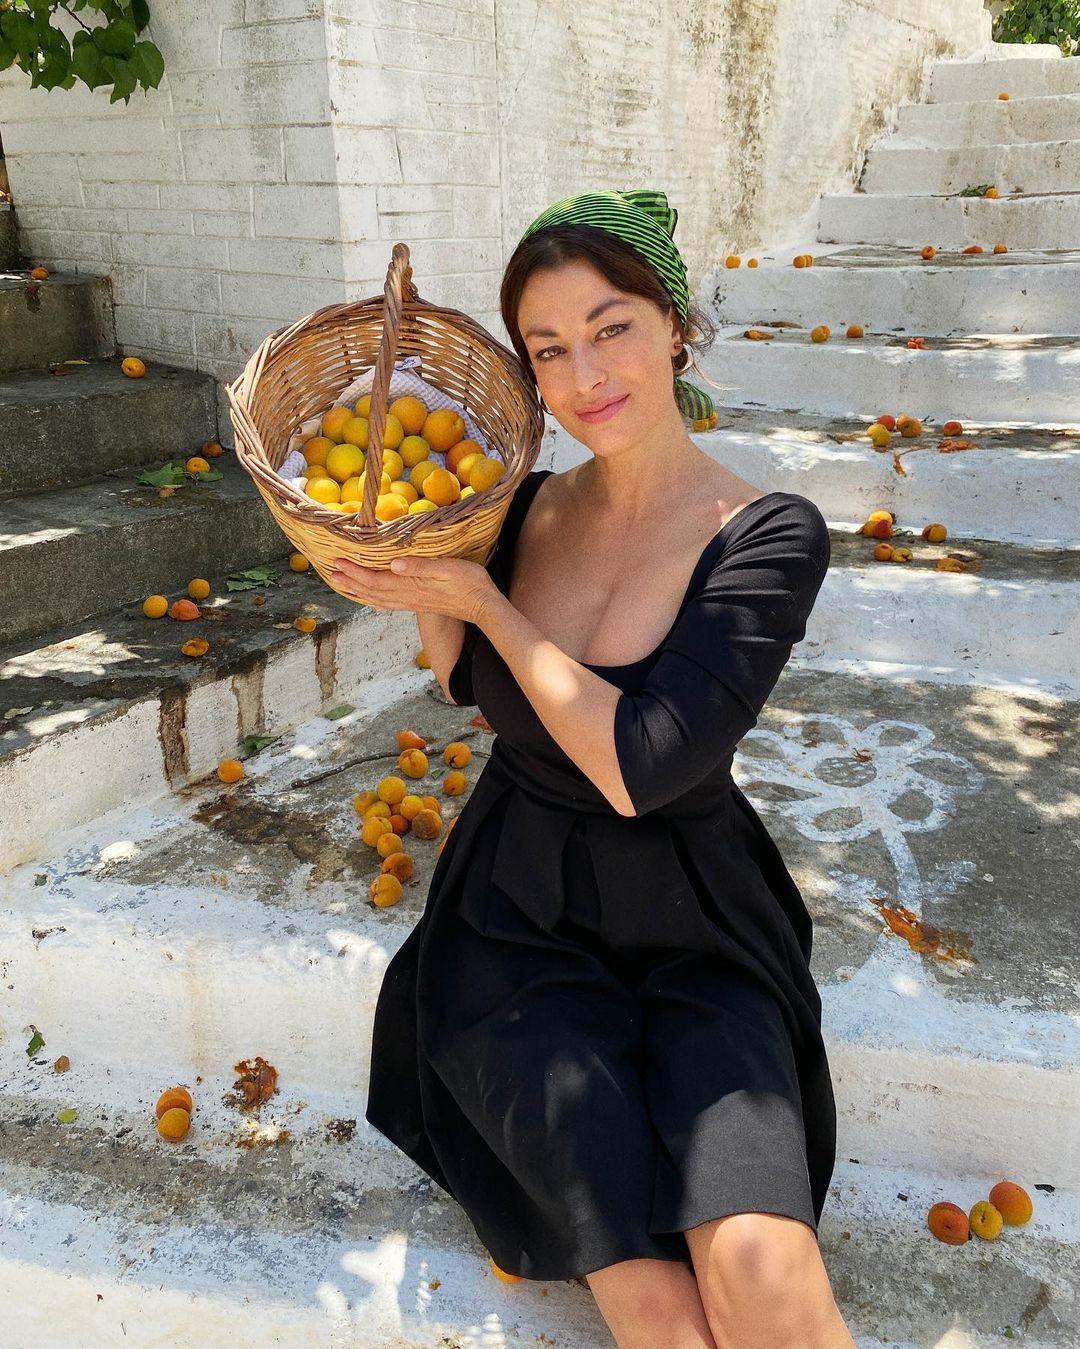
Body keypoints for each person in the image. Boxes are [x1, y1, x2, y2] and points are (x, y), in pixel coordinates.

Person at [330, 190, 856, 1349]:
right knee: (656, 1307)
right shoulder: (517, 507)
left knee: (760, 1269)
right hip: (518, 915)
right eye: (549, 349)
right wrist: (421, 564)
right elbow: (463, 680)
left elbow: (643, 764)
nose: (585, 375)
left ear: (674, 325)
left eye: (611, 328)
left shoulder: (766, 531)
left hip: (696, 915)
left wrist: (480, 598)